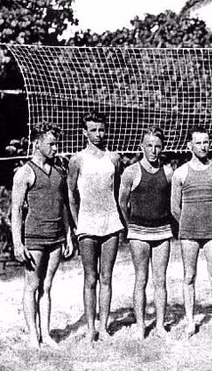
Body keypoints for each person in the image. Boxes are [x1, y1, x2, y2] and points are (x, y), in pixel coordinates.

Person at [11, 122, 74, 348]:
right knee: (32, 285)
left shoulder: (59, 172)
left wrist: (68, 235)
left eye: (56, 144)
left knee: (47, 286)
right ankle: (32, 336)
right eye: (51, 144)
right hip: (34, 237)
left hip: (56, 237)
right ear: (37, 144)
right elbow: (16, 210)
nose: (56, 149)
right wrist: (18, 243)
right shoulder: (24, 173)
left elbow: (64, 206)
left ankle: (45, 334)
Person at [67, 111, 125, 341]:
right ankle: (91, 328)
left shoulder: (114, 158)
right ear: (85, 133)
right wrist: (76, 222)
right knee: (90, 278)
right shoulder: (77, 160)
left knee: (106, 277)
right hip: (87, 223)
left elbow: (117, 190)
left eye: (101, 129)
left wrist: (122, 220)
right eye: (93, 130)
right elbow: (70, 193)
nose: (98, 134)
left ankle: (104, 327)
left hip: (111, 222)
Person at [119, 127, 173, 339]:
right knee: (141, 279)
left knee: (160, 280)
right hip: (138, 232)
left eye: (158, 146)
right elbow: (122, 203)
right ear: (142, 146)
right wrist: (130, 227)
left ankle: (159, 325)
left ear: (163, 148)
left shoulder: (168, 172)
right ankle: (141, 325)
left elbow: (171, 202)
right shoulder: (131, 172)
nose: (153, 150)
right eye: (149, 146)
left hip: (162, 232)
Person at [171, 126, 212, 335]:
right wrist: (188, 223)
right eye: (198, 142)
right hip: (189, 232)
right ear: (190, 146)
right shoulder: (180, 173)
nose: (203, 146)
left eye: (206, 142)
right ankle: (190, 321)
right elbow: (175, 208)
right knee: (189, 276)